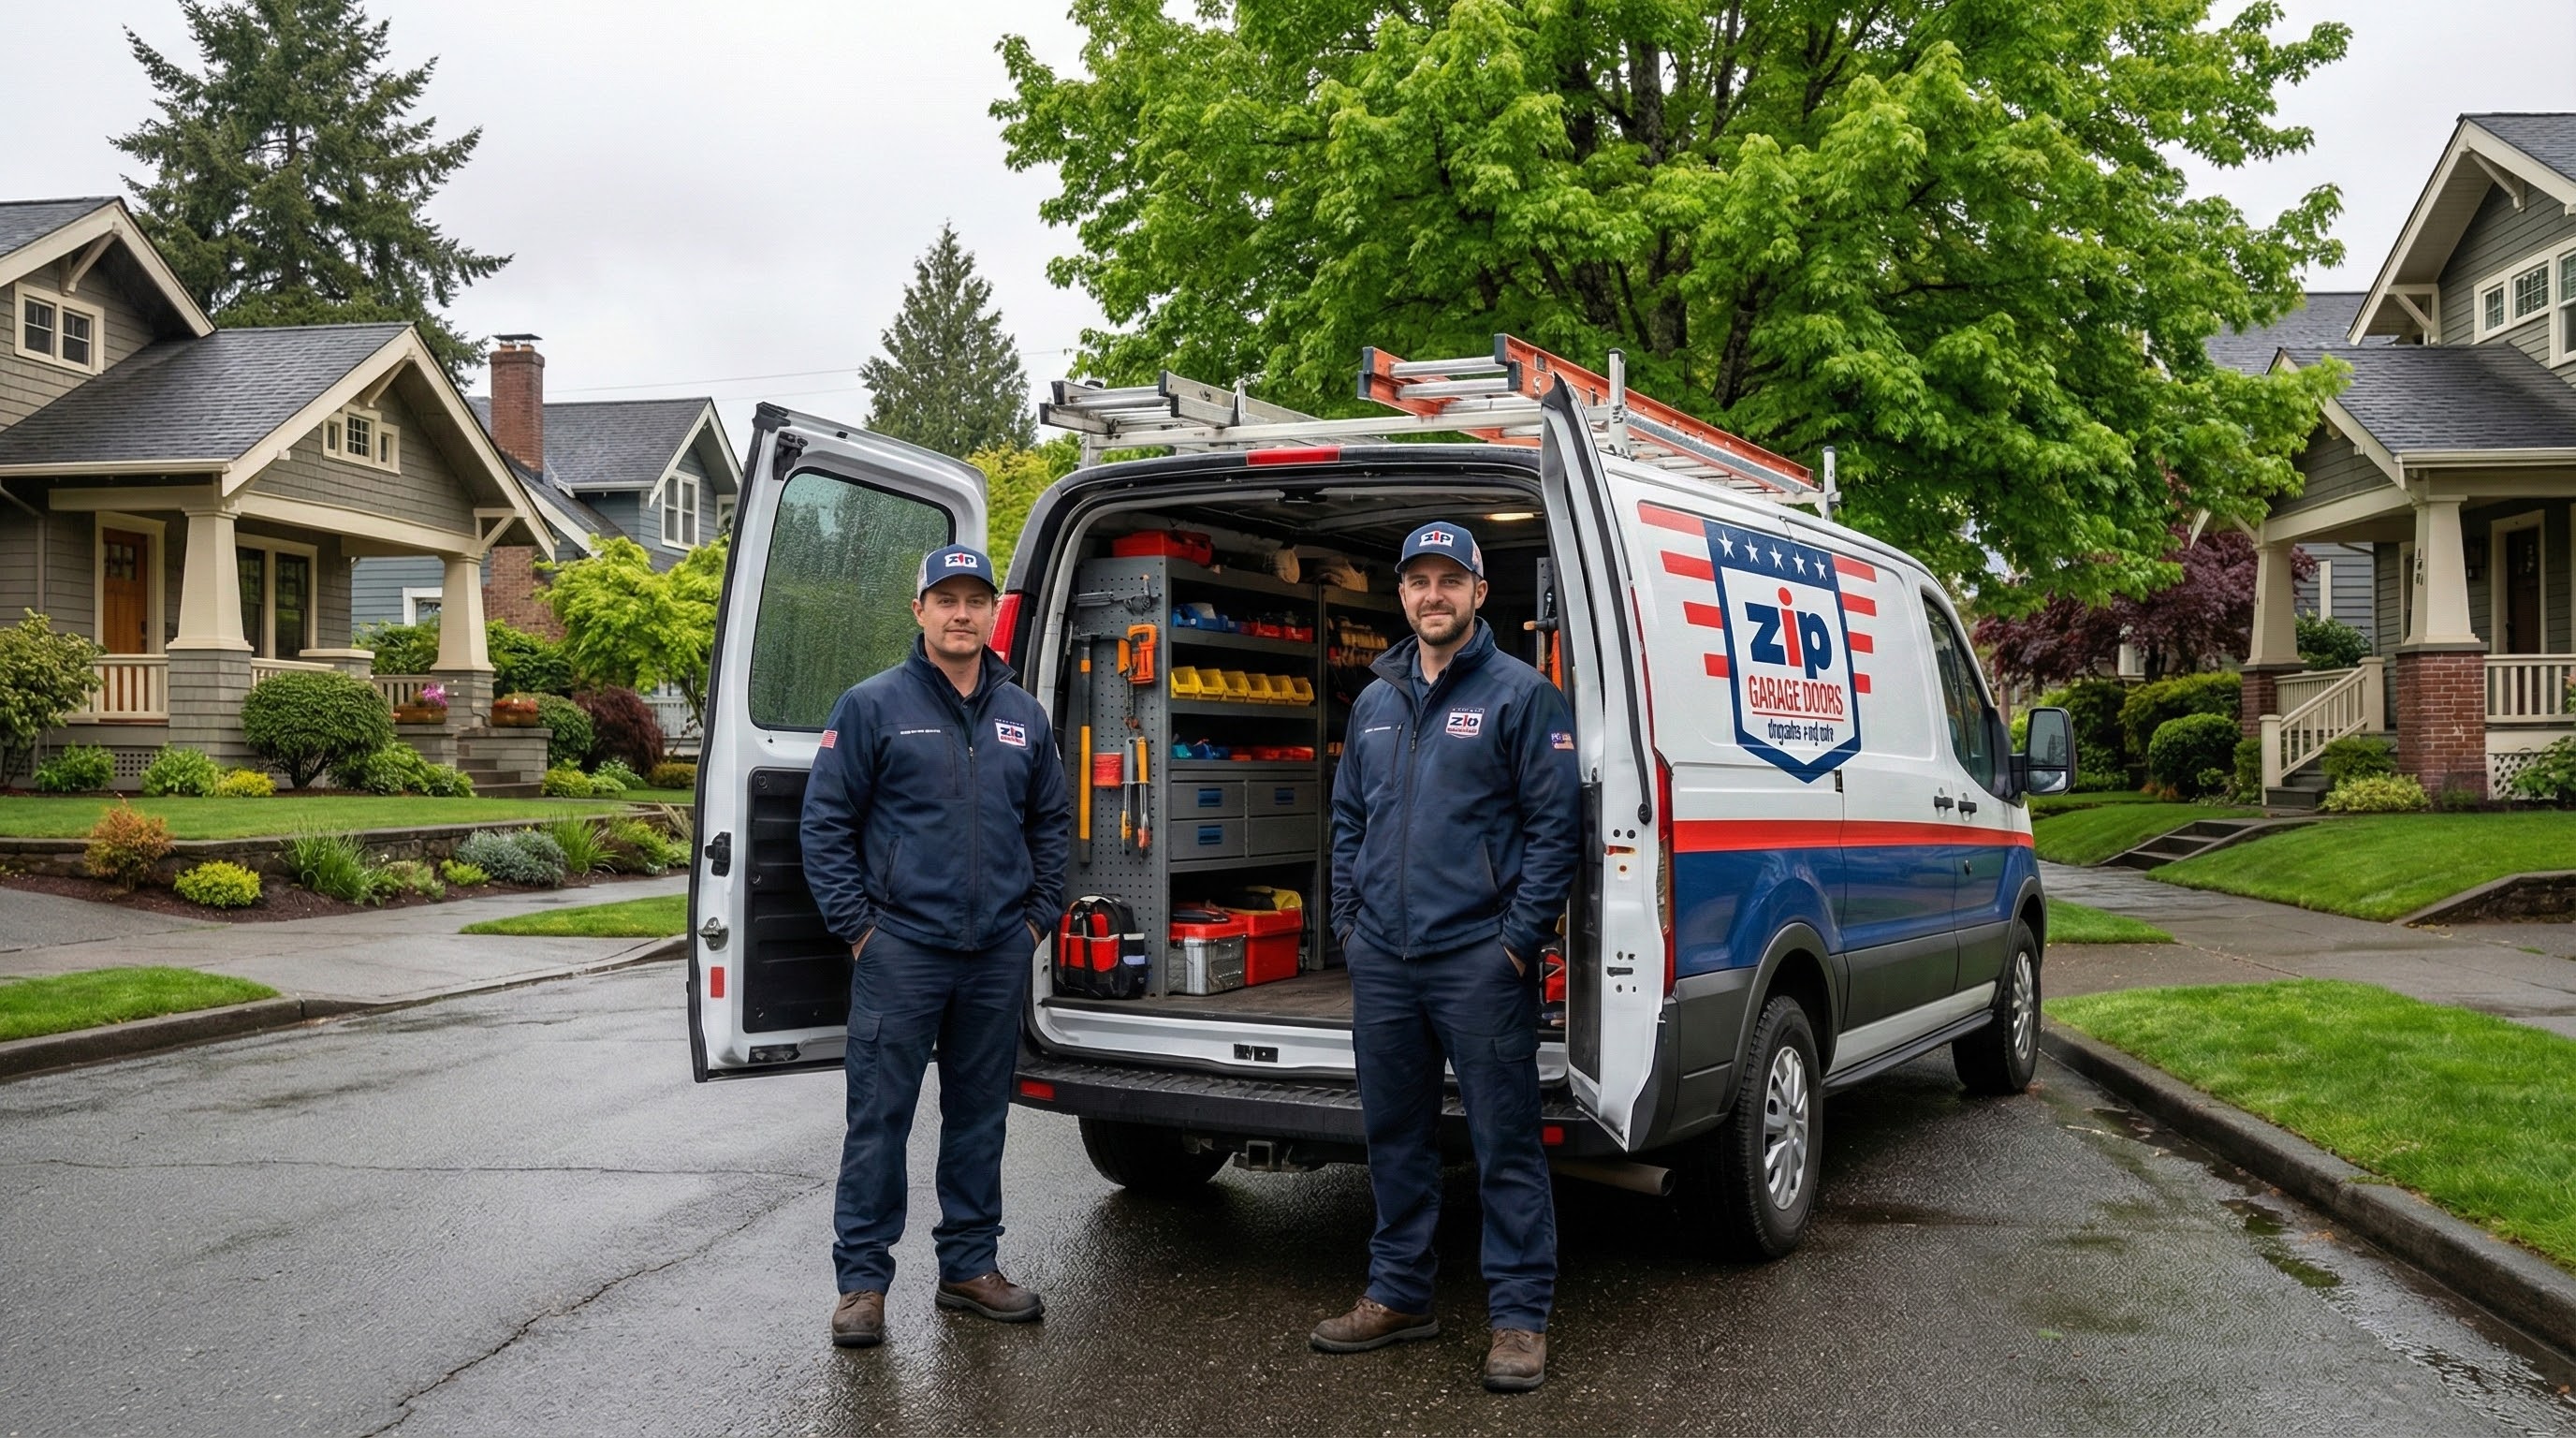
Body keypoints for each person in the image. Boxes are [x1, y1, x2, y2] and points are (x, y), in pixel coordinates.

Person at [1314, 521, 1581, 1392]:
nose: (1433, 596)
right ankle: (1399, 1295)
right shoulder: (1376, 701)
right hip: (1386, 957)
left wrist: (1515, 942)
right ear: (1402, 595)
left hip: (1477, 958)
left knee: (1504, 1140)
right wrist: (1352, 922)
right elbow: (1349, 817)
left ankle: (1518, 1316)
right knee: (1394, 1135)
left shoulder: (1521, 695)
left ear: (1476, 592)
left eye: (1448, 581)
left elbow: (1554, 832)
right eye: (1418, 582)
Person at [800, 543, 1072, 1349]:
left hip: (995, 949)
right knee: (878, 1119)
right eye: (945, 599)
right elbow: (825, 824)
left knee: (979, 1115)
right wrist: (859, 929)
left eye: (975, 600)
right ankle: (862, 1282)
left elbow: (1051, 822)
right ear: (918, 610)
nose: (962, 613)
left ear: (993, 613)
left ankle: (968, 1267)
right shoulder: (871, 705)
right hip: (902, 949)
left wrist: (1035, 919)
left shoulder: (1025, 716)